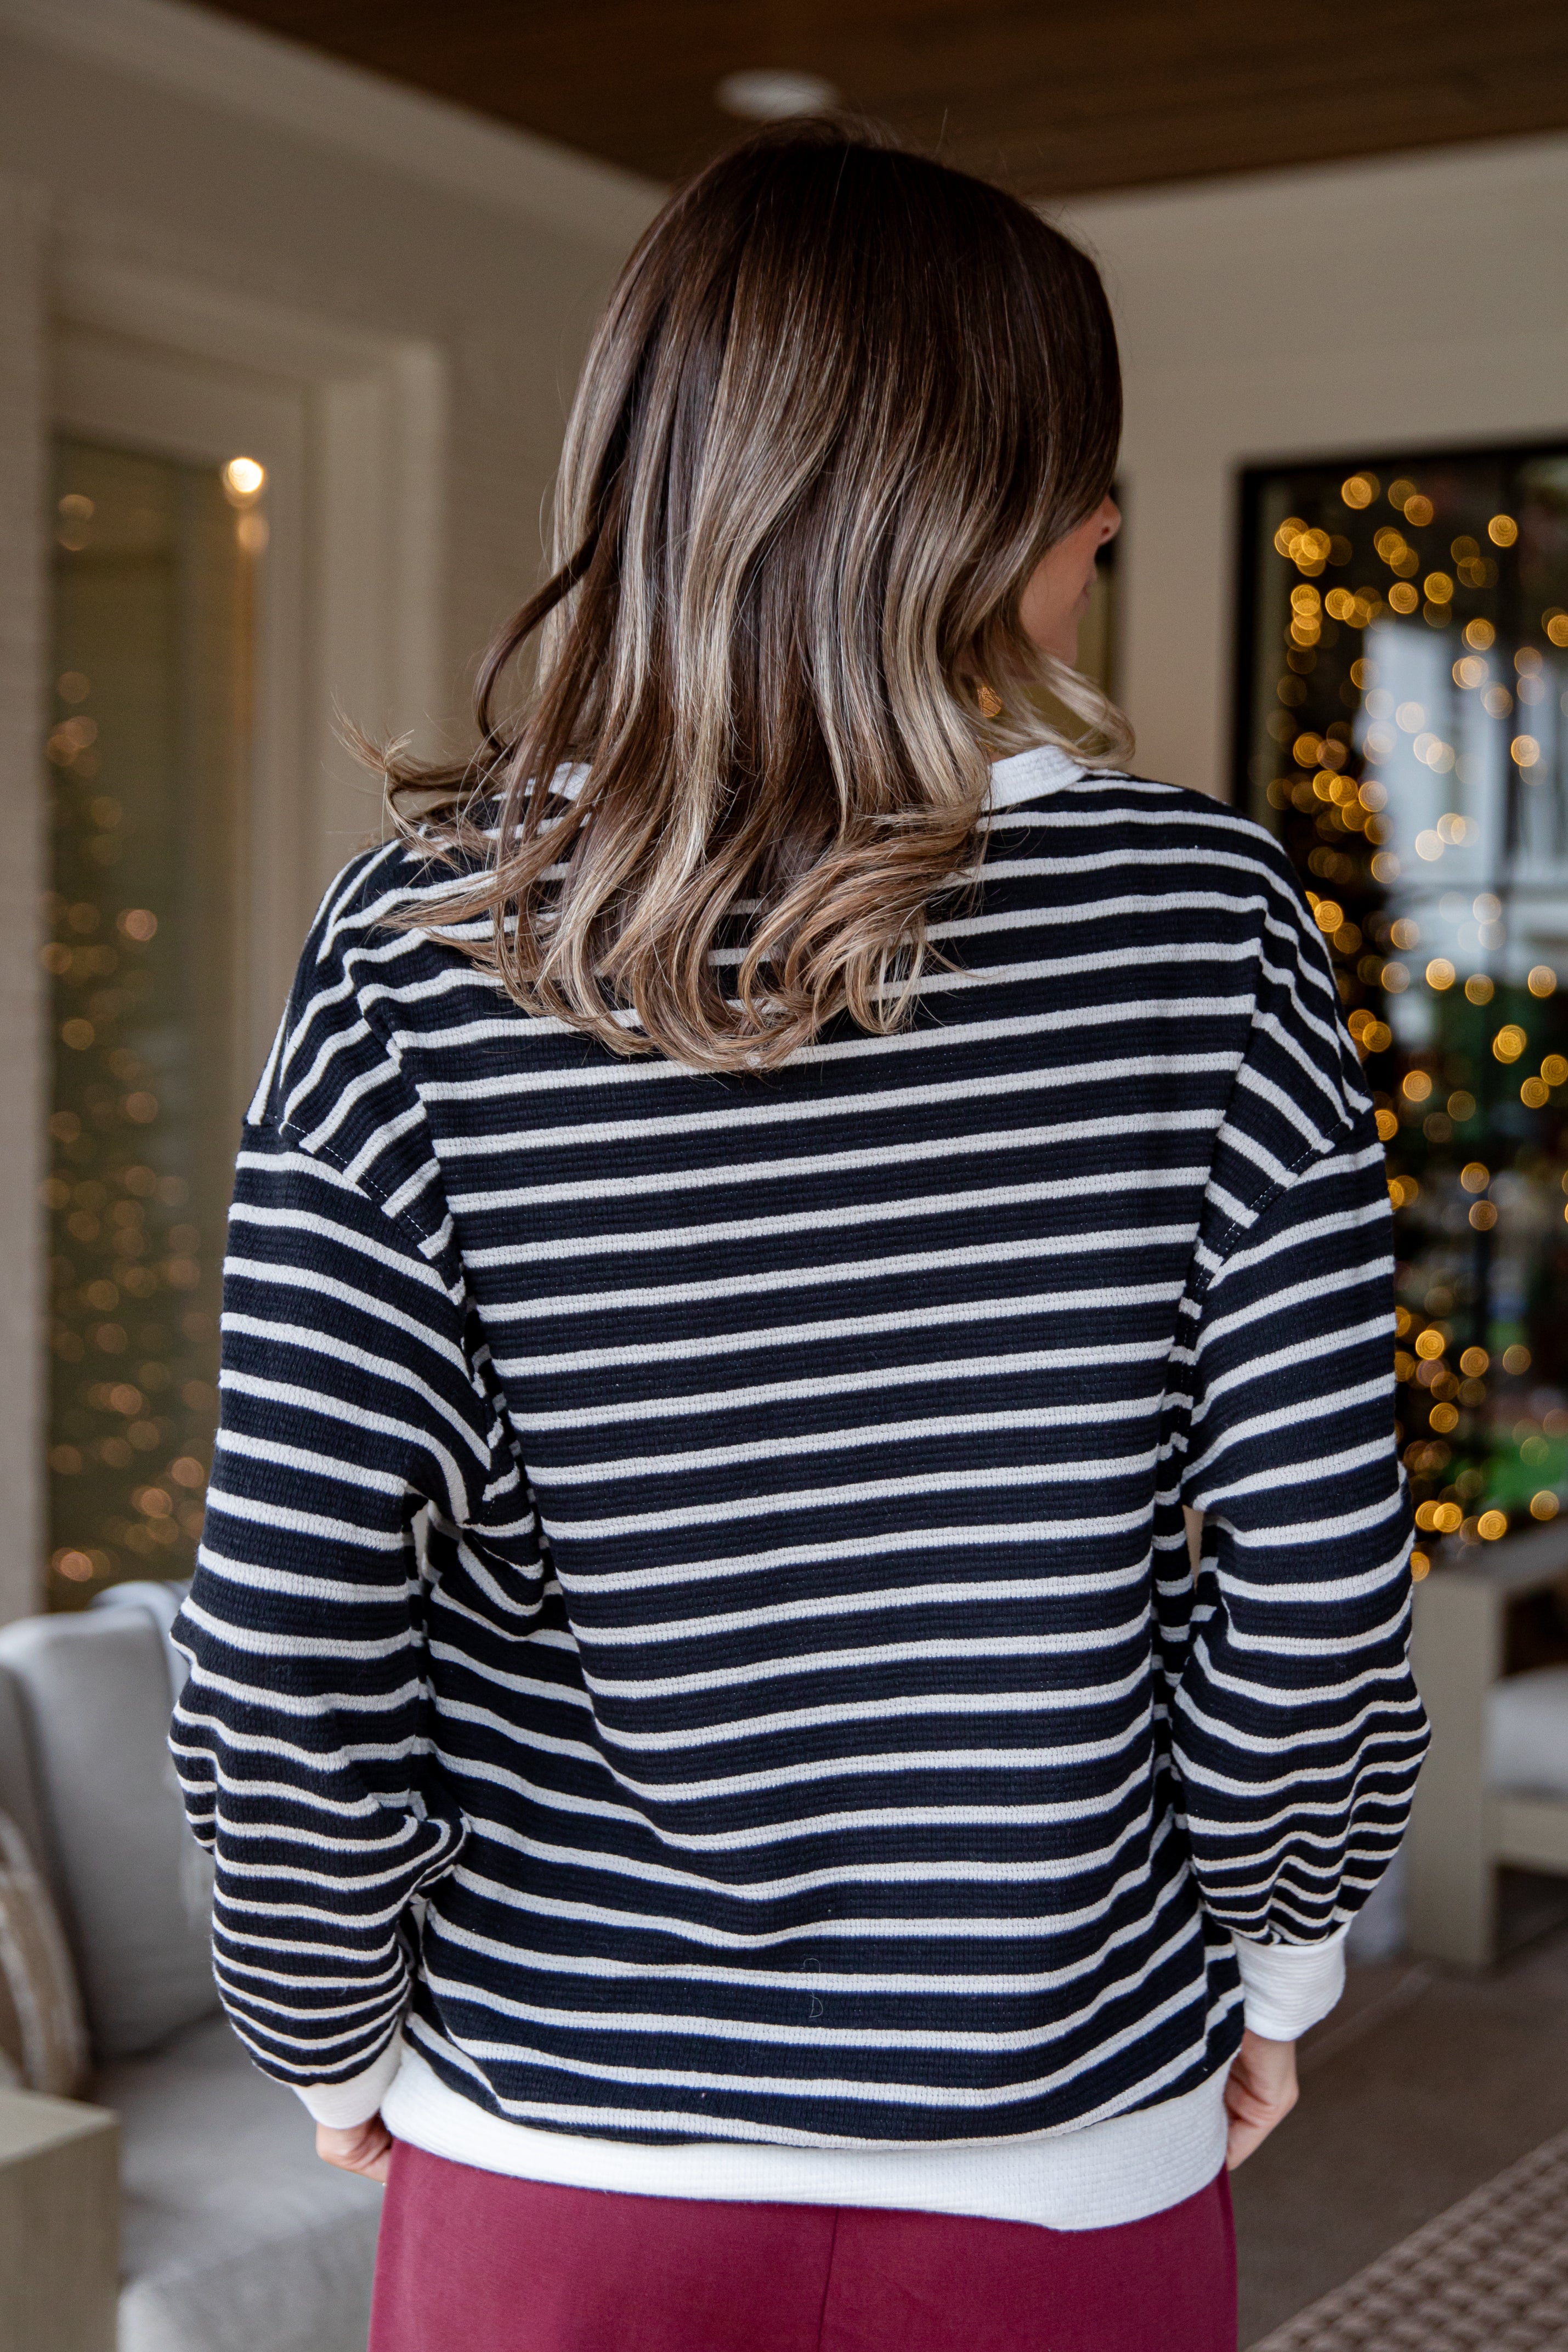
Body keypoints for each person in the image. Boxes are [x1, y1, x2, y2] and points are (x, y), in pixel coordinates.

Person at [169, 124, 1427, 2352]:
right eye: (1075, 479)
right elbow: (1313, 1571)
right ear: (977, 516)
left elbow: (284, 1626)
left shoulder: (418, 949)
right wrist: (1281, 1950)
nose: (1110, 527)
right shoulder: (1214, 927)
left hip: (556, 2148)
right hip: (1061, 2132)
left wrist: (323, 2025)